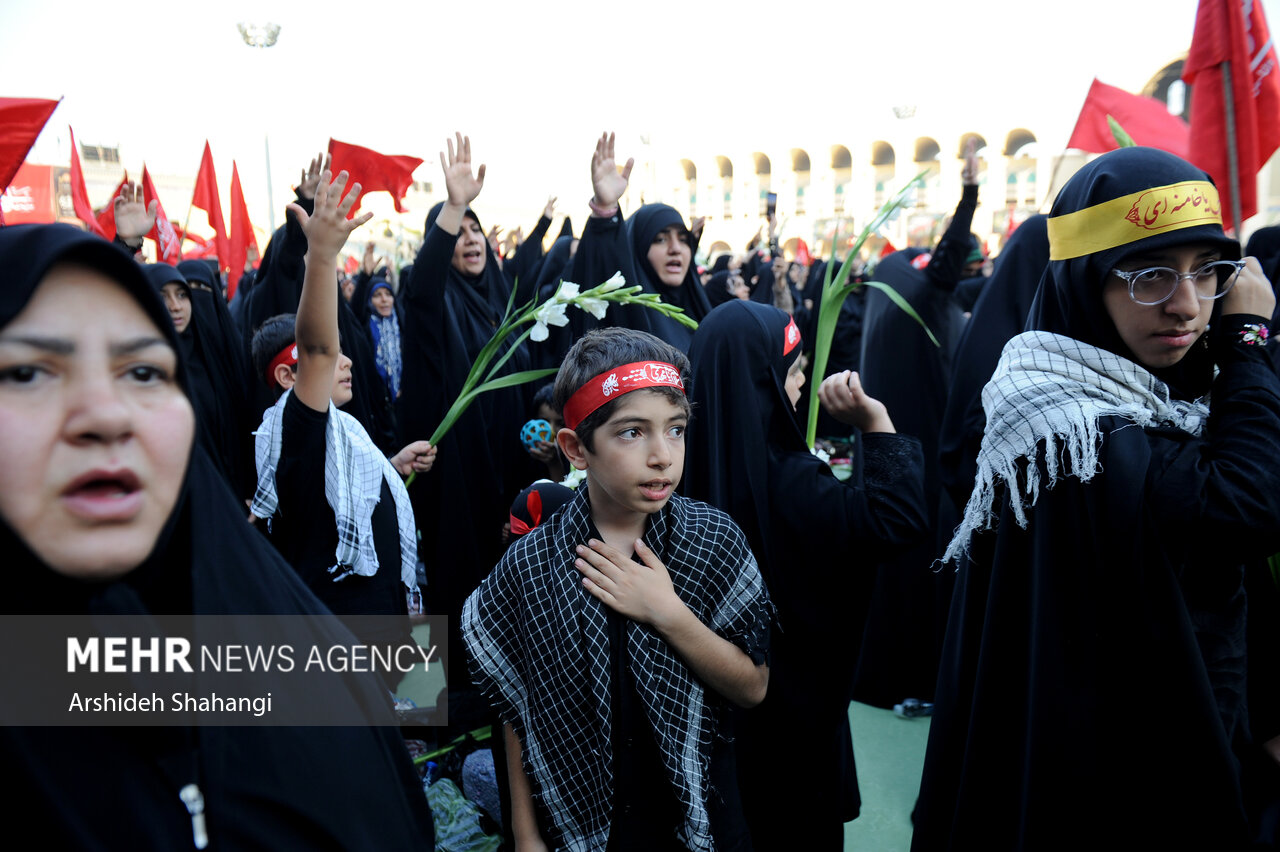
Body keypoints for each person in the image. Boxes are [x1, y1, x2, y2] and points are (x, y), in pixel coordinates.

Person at [0, 222, 435, 848]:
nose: (104, 414)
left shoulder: (297, 661)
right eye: (29, 373)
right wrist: (320, 257)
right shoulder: (290, 428)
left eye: (144, 373)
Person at [912, 147, 1280, 850]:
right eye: (1148, 276)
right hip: (1114, 778)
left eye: (1208, 272)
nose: (1186, 304)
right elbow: (1248, 505)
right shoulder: (1074, 426)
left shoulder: (1154, 395)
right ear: (1084, 282)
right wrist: (1248, 341)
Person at [461, 327, 773, 851]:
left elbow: (752, 686)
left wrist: (667, 612)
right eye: (632, 432)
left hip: (701, 821)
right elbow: (517, 703)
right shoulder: (532, 563)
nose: (662, 456)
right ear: (575, 448)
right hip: (579, 830)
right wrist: (524, 830)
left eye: (675, 429)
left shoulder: (714, 541)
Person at [685, 299, 928, 849]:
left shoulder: (672, 475)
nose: (799, 386)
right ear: (764, 380)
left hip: (710, 741)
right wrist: (876, 423)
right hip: (795, 735)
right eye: (792, 371)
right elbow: (899, 522)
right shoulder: (795, 484)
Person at [248, 170, 435, 661]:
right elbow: (317, 346)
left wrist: (389, 467)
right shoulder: (291, 429)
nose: (344, 360)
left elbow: (329, 497)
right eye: (332, 360)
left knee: (400, 738)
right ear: (290, 379)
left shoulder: (344, 434)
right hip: (340, 649)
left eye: (342, 355)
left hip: (385, 620)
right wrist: (324, 257)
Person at [397, 133, 541, 732]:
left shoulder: (496, 303)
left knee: (498, 580)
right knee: (453, 587)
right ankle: (444, 717)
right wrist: (451, 207)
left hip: (500, 470)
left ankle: (494, 697)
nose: (470, 239)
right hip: (451, 475)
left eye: (477, 229)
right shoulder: (433, 301)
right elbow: (423, 282)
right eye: (459, 233)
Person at [851, 142, 981, 710]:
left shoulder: (889, 288)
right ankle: (920, 679)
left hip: (886, 449)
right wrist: (970, 194)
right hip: (922, 449)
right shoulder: (923, 292)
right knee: (923, 561)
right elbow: (949, 267)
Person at [559, 133, 712, 357]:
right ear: (638, 250)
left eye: (683, 239)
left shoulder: (700, 309)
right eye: (660, 239)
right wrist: (605, 211)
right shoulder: (632, 317)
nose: (675, 248)